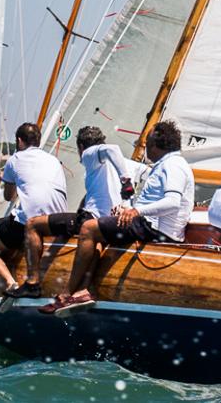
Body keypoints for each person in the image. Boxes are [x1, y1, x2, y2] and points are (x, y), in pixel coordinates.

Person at [41, 120, 193, 315]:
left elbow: (172, 202)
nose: (145, 147)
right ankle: (84, 291)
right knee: (103, 229)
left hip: (156, 229)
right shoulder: (165, 164)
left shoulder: (173, 165)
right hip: (149, 224)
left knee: (88, 228)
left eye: (146, 143)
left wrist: (136, 212)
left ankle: (67, 292)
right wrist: (125, 210)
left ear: (156, 145)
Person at [8, 126, 132, 300]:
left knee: (32, 224)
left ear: (81, 146)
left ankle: (32, 283)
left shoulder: (89, 154)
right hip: (109, 223)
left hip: (91, 220)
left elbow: (113, 149)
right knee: (96, 238)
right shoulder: (124, 163)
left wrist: (125, 181)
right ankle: (85, 289)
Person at [0, 123, 67, 296]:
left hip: (32, 223)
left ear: (19, 140)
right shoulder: (54, 160)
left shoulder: (15, 160)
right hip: (56, 220)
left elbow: (9, 196)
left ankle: (9, 283)